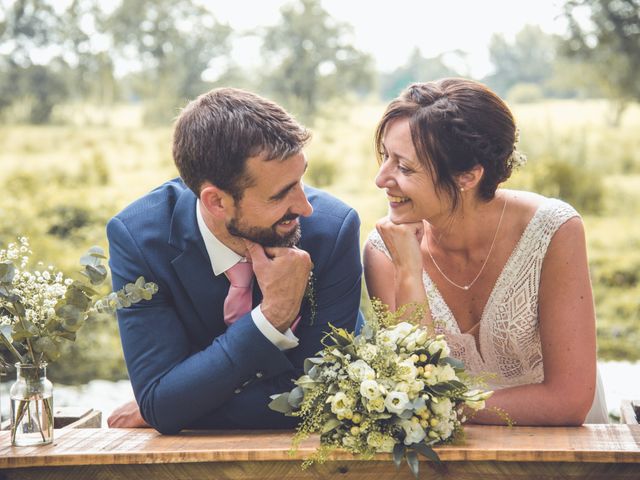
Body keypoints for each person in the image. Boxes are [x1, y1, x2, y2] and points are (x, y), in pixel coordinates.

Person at [106, 88, 362, 433]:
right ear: (216, 202)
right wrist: (270, 319)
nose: (305, 206)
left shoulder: (333, 231)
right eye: (281, 193)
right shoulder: (139, 240)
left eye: (300, 180)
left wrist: (176, 406)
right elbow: (162, 401)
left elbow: (322, 397)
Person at [363, 78, 608, 425]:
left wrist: (444, 407)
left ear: (468, 176)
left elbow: (569, 400)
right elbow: (411, 389)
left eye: (404, 167)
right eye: (386, 157)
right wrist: (407, 271)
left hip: (562, 446)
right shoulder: (384, 250)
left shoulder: (553, 231)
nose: (380, 178)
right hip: (450, 457)